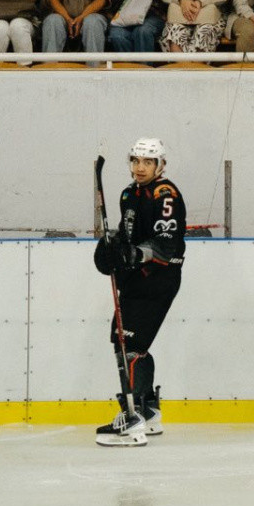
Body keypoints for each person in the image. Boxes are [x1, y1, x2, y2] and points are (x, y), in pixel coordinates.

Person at [92, 137, 186, 446]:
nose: (140, 167)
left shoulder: (165, 195)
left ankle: (132, 420)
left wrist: (134, 254)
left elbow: (166, 245)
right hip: (136, 280)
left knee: (129, 343)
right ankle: (147, 411)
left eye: (148, 162)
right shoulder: (128, 194)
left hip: (158, 278)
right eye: (135, 161)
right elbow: (128, 232)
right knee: (127, 341)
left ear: (161, 165)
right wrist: (113, 247)